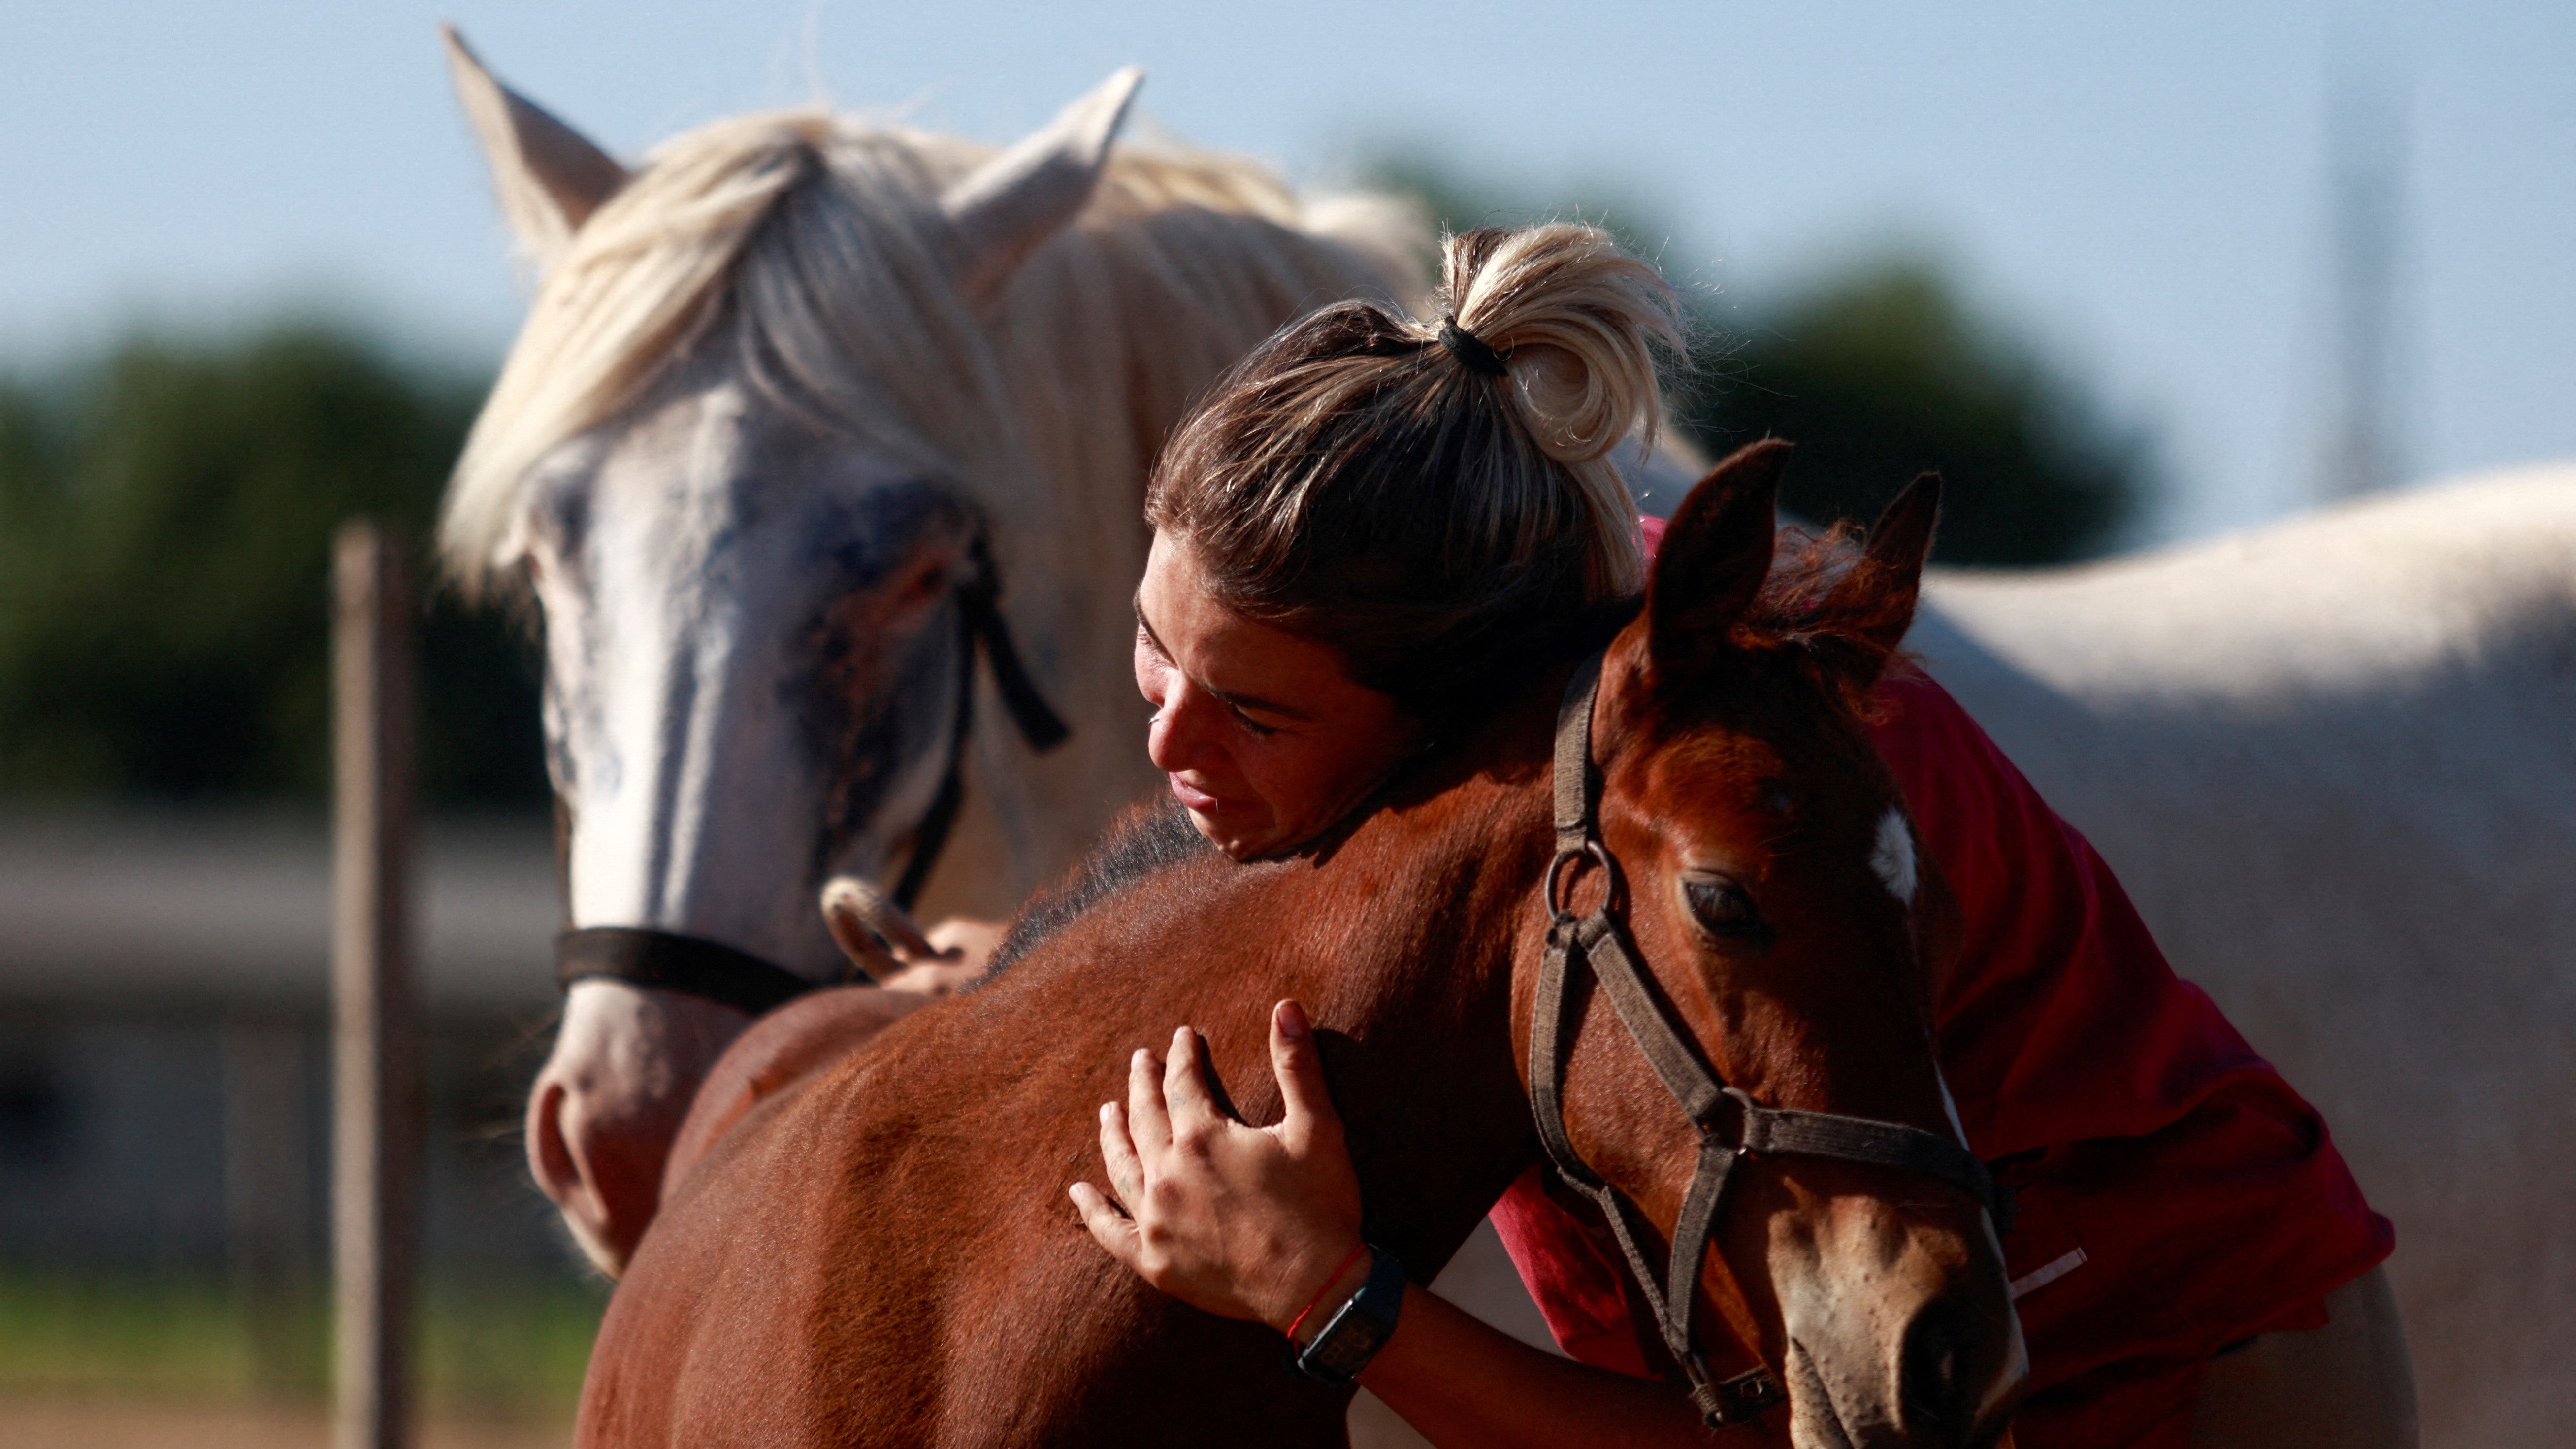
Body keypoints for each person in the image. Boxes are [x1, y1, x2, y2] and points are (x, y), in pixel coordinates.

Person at [1058, 223, 2416, 1448]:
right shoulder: (1537, 682)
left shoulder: (1726, 791)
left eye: (1254, 711)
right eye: (1153, 649)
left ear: (1449, 719)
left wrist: (1325, 1296)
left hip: (2183, 1357)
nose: (1169, 742)